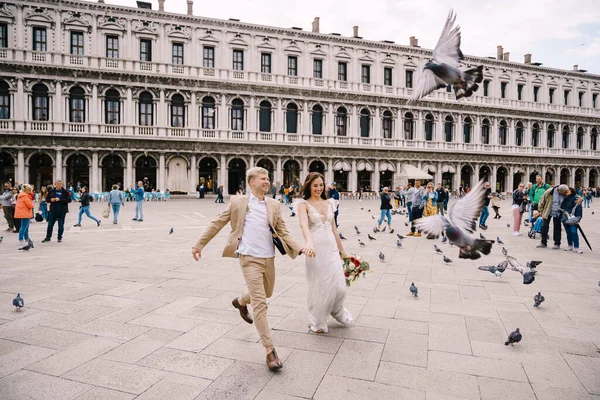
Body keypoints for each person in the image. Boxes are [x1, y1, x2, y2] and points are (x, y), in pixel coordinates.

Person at [191, 167, 307, 371]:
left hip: (268, 257)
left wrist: (300, 248)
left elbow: (283, 231)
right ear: (251, 182)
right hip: (248, 258)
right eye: (263, 179)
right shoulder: (238, 202)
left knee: (267, 292)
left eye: (268, 178)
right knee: (261, 303)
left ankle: (241, 301)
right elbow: (217, 223)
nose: (267, 181)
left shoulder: (273, 204)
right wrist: (199, 244)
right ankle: (270, 351)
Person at [297, 172, 352, 334]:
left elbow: (334, 229)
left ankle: (336, 310)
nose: (319, 188)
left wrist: (343, 252)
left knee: (339, 286)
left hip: (331, 248)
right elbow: (304, 226)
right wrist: (308, 243)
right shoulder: (303, 204)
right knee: (319, 285)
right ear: (309, 186)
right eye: (315, 185)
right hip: (315, 249)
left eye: (321, 185)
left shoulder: (330, 202)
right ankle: (318, 320)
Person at [537, 184, 571, 249]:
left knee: (557, 227)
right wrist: (540, 210)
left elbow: (574, 195)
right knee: (544, 226)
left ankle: (557, 243)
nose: (564, 194)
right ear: (559, 191)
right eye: (563, 193)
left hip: (558, 212)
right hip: (548, 210)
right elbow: (542, 200)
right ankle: (543, 242)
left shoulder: (566, 192)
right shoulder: (549, 191)